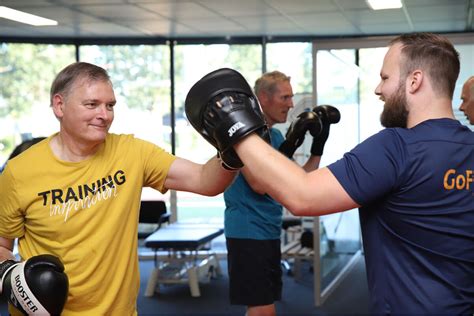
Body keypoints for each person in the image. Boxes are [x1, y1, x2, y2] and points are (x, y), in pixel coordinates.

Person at [186, 32, 474, 314]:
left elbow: (302, 196)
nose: (378, 89)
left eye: (385, 78)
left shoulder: (396, 147)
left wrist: (235, 126)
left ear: (415, 80)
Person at [0, 62, 237, 315]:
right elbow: (2, 245)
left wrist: (233, 146)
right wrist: (12, 278)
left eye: (110, 105)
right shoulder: (19, 172)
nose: (104, 115)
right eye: (92, 104)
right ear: (59, 105)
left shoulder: (132, 153)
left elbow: (205, 180)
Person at [222, 71, 338, 316]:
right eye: (285, 97)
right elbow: (259, 183)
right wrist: (292, 143)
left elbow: (300, 179)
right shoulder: (242, 135)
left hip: (268, 231)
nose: (291, 104)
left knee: (261, 305)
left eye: (291, 97)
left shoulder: (273, 136)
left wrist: (318, 144)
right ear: (263, 97)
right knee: (263, 308)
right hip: (247, 232)